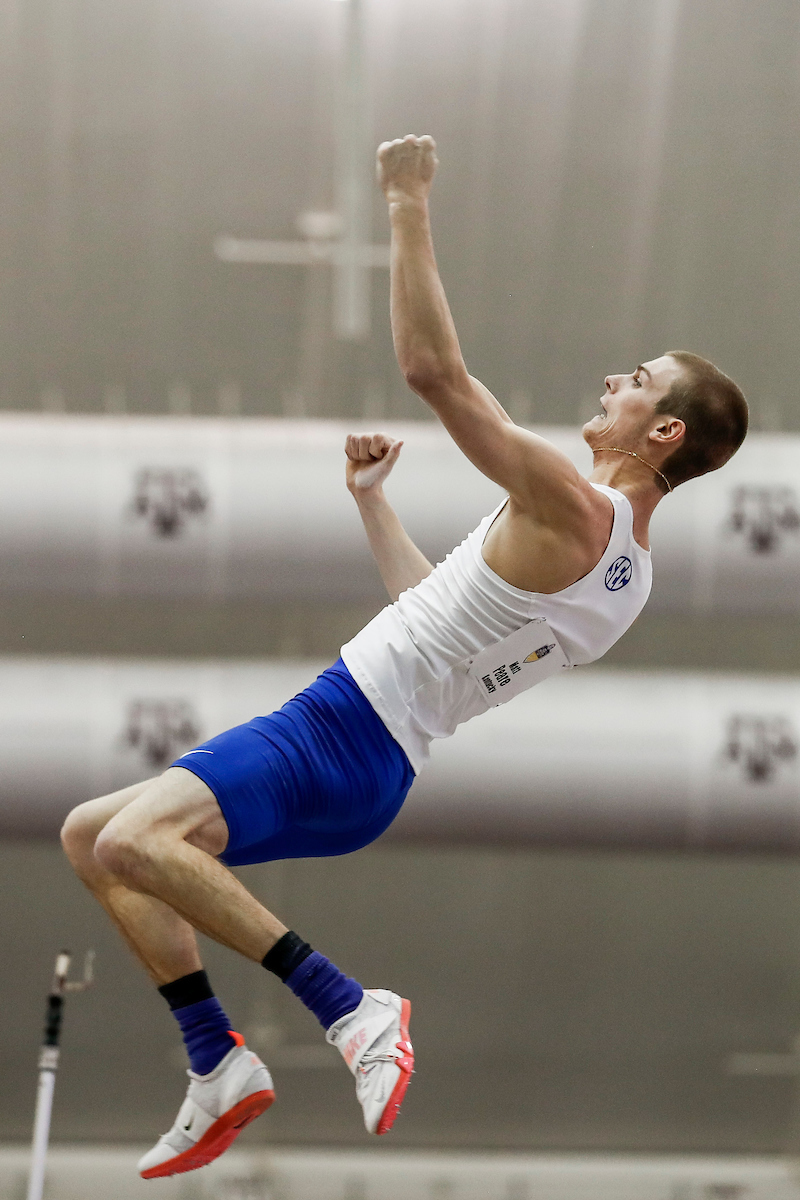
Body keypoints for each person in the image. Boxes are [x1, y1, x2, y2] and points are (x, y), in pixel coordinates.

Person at [60, 135, 749, 1180]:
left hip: (339, 730)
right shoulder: (625, 575)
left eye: (637, 379)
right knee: (89, 834)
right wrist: (372, 504)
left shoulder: (574, 506)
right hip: (376, 762)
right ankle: (213, 1061)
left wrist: (404, 200)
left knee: (130, 844)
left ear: (659, 433)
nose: (614, 377)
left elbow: (433, 372)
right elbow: (434, 616)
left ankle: (350, 1009)